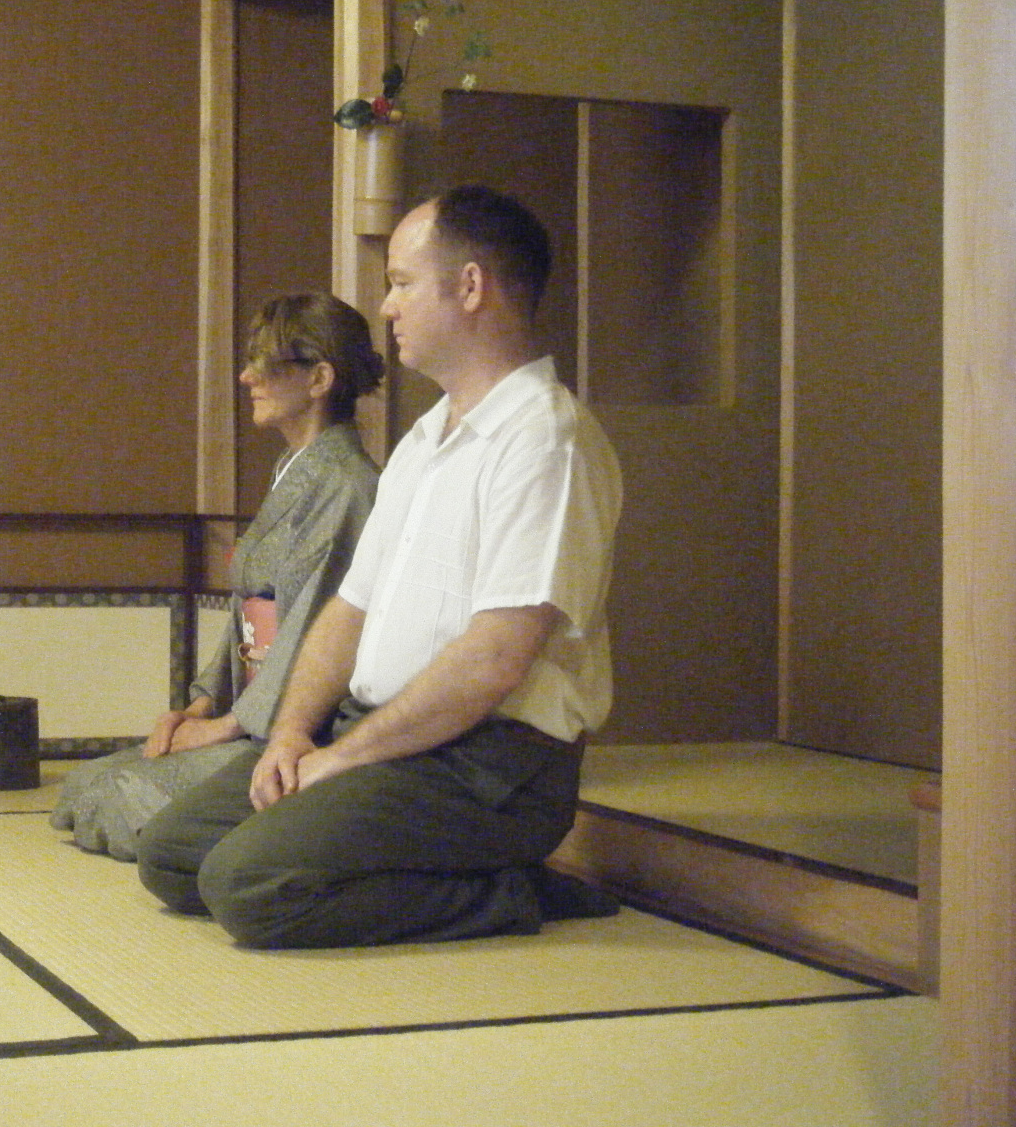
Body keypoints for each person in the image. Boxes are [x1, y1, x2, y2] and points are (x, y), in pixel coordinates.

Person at [137, 186, 623, 948]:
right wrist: (292, 735)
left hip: (488, 765)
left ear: (470, 286)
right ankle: (398, 848)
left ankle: (512, 891)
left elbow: (497, 656)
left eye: (401, 282)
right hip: (382, 733)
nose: (387, 306)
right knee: (171, 855)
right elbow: (351, 609)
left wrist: (343, 760)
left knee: (248, 886)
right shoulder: (424, 440)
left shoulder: (546, 438)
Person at [50, 292, 383, 860]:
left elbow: (313, 632)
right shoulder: (294, 472)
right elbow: (248, 618)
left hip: (292, 729)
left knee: (118, 798)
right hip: (250, 711)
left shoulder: (348, 486)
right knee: (84, 785)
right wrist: (200, 707)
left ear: (319, 378)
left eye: (264, 363)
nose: (246, 376)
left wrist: (228, 725)